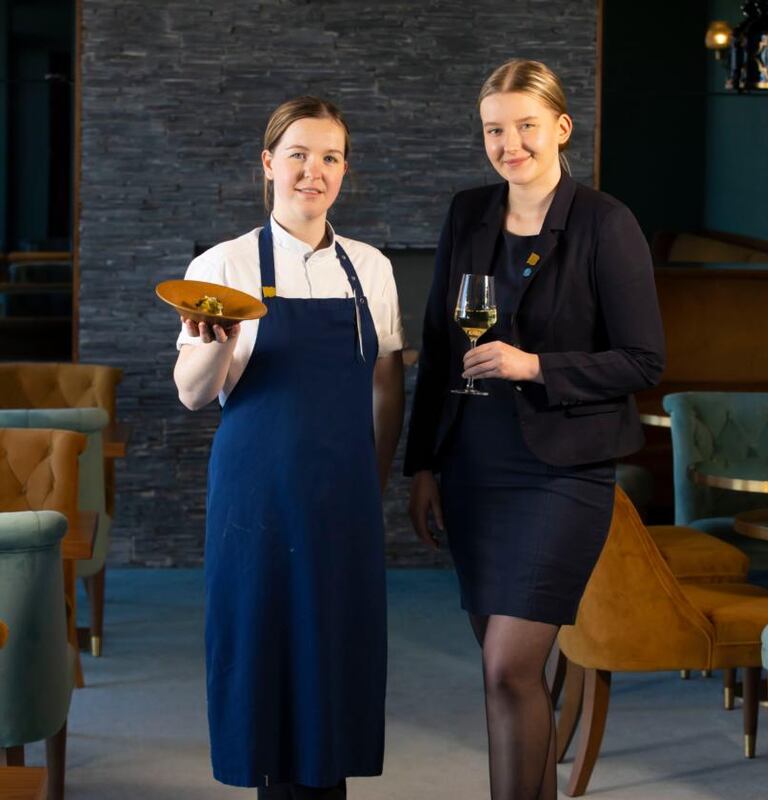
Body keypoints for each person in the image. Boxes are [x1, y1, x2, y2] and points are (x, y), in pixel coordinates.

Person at [405, 60, 664, 800]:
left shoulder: (604, 224)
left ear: (560, 127)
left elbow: (644, 359)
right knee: (506, 681)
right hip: (472, 470)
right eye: (494, 129)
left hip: (561, 475)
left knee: (507, 668)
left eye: (525, 125)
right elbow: (437, 342)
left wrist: (535, 365)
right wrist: (423, 465)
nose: (509, 142)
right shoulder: (468, 214)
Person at [174, 96, 405, 799]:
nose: (315, 171)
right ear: (269, 164)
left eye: (330, 157)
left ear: (345, 170)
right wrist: (211, 347)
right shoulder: (224, 264)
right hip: (257, 500)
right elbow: (190, 392)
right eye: (299, 154)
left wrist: (375, 475)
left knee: (332, 669)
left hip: (342, 502)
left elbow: (387, 383)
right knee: (263, 665)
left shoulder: (371, 269)